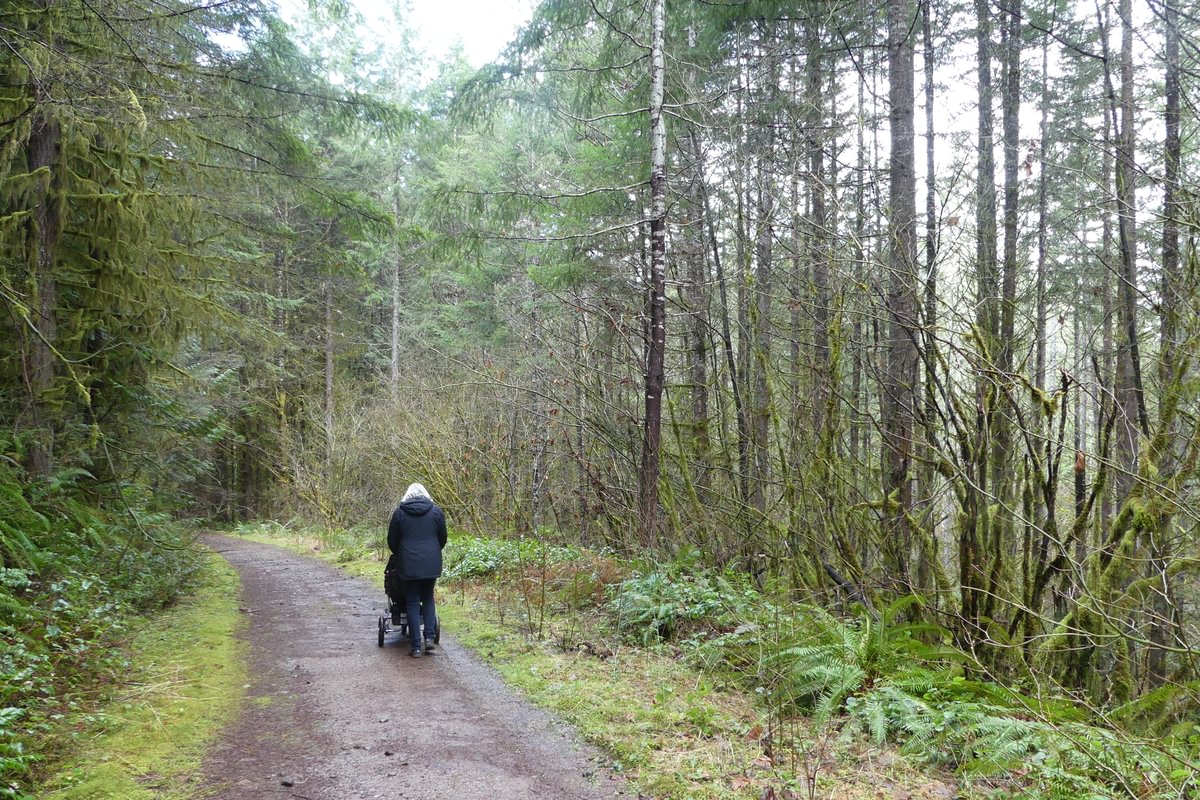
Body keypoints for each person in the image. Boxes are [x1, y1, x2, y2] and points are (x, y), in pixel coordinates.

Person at [387, 482, 447, 657]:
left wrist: (401, 553)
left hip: (408, 563)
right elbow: (443, 538)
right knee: (428, 597)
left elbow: (392, 540)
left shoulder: (399, 514)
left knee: (412, 601)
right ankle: (429, 638)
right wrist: (433, 552)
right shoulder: (436, 512)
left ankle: (415, 647)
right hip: (431, 562)